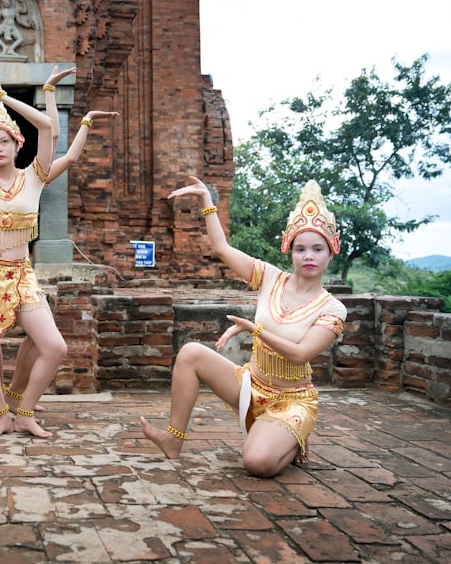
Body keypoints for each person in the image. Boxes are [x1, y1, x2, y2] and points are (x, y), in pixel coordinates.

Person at [0, 62, 115, 438]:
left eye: (4, 142)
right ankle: (1, 413)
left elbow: (48, 128)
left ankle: (23, 409)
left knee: (54, 346)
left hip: (20, 274)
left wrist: (7, 98)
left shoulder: (36, 175)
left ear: (17, 144)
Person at [141, 178, 347, 477]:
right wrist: (206, 200)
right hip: (250, 386)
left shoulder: (332, 308)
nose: (309, 256)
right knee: (190, 353)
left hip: (291, 400)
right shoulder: (270, 278)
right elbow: (222, 248)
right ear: (290, 250)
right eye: (300, 248)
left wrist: (256, 330)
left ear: (331, 253)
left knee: (257, 464)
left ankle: (295, 439)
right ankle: (173, 439)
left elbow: (301, 354)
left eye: (317, 249)